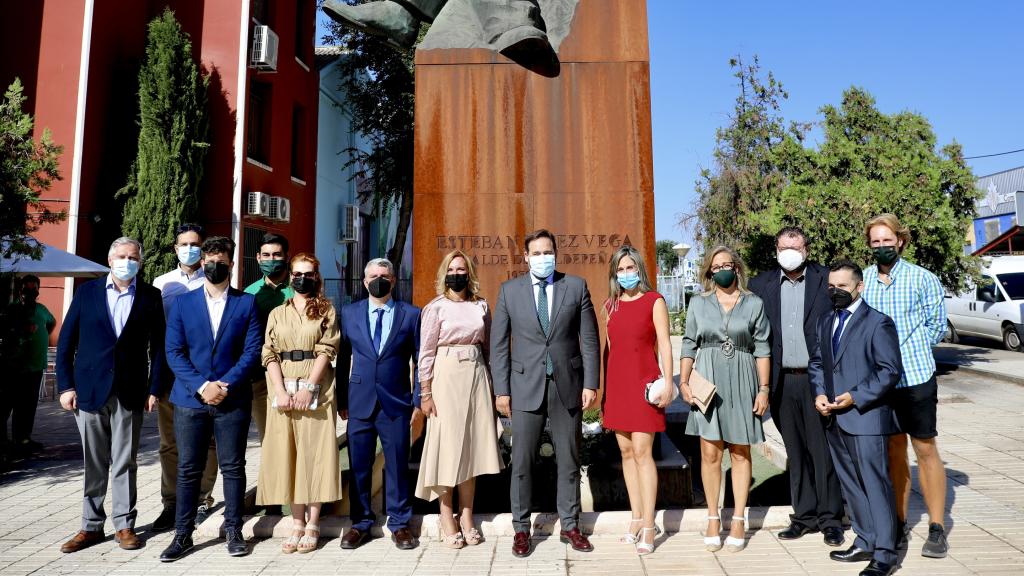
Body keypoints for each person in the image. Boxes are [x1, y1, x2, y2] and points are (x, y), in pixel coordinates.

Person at [490, 228, 600, 558]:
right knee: (522, 461)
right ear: (525, 258)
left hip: (567, 385)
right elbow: (498, 346)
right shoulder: (509, 292)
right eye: (536, 253)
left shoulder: (575, 286)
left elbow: (590, 340)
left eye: (547, 252)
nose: (542, 258)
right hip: (524, 387)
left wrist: (591, 382)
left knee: (569, 460)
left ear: (556, 253)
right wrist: (502, 390)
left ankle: (570, 525)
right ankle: (521, 530)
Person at [55, 237, 166, 553]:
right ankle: (90, 527)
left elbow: (158, 349)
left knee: (124, 462)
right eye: (121, 256)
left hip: (130, 392)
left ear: (140, 263)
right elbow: (66, 343)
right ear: (109, 258)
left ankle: (124, 525)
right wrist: (65, 387)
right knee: (94, 461)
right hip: (89, 391)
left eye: (133, 257)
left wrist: (154, 388)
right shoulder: (87, 293)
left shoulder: (150, 297)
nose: (126, 261)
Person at [160, 236, 262, 562]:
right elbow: (174, 353)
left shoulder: (246, 303)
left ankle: (233, 531)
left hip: (232, 400)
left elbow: (252, 351)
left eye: (220, 261)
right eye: (208, 260)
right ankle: (183, 535)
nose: (213, 266)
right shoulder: (182, 304)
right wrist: (203, 386)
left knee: (233, 467)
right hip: (191, 400)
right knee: (189, 469)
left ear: (232, 264)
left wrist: (226, 384)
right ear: (202, 263)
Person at [861, 213, 949, 558]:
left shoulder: (922, 279)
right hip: (880, 385)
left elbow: (936, 326)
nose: (882, 246)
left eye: (887, 240)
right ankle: (897, 524)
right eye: (875, 241)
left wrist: (909, 353)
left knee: (925, 450)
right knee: (894, 452)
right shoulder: (864, 281)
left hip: (915, 379)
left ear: (900, 240)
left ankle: (937, 527)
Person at [749, 227, 844, 546]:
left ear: (806, 248)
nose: (789, 251)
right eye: (783, 246)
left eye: (795, 245)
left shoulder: (826, 278)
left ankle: (831, 518)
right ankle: (804, 516)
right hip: (781, 381)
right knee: (796, 451)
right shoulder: (760, 284)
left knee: (822, 451)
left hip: (817, 380)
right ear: (776, 249)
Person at [809, 260, 902, 576]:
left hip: (865, 417)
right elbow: (819, 363)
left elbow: (888, 371)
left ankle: (886, 553)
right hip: (834, 419)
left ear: (859, 287)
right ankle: (865, 540)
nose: (835, 293)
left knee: (875, 485)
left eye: (842, 287)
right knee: (851, 485)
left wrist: (856, 396)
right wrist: (819, 393)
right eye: (831, 287)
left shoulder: (878, 323)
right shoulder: (825, 321)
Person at [678, 245, 770, 554]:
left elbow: (762, 348)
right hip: (708, 379)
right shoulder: (698, 303)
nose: (722, 270)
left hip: (744, 378)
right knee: (710, 453)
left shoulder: (754, 303)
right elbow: (690, 343)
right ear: (709, 272)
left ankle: (739, 518)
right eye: (716, 267)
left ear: (738, 269)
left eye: (728, 265)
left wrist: (764, 388)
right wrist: (684, 381)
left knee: (741, 452)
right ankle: (713, 517)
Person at [415, 250, 503, 549]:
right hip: (446, 374)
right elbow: (425, 353)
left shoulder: (481, 305)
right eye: (452, 269)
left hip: (477, 374)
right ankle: (445, 514)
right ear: (444, 273)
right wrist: (425, 392)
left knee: (472, 447)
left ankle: (467, 515)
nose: (457, 274)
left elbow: (489, 347)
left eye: (461, 269)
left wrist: (494, 387)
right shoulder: (435, 308)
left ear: (470, 273)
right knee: (447, 446)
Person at [258, 253, 342, 554]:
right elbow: (269, 353)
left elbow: (327, 349)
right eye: (297, 273)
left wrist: (309, 387)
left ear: (316, 277)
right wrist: (280, 390)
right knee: (289, 453)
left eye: (308, 273)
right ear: (290, 276)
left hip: (315, 384)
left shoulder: (326, 310)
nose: (302, 278)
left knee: (314, 453)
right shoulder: (277, 313)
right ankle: (296, 522)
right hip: (282, 385)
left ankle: (314, 521)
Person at [336, 258, 422, 551]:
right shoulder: (349, 313)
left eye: (384, 276)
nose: (378, 280)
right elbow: (343, 359)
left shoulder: (411, 315)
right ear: (364, 281)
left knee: (397, 465)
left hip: (396, 403)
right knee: (359, 465)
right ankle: (359, 523)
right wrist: (341, 400)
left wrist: (418, 399)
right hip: (359, 403)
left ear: (394, 281)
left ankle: (399, 524)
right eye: (373, 276)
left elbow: (419, 361)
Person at [600, 246, 674, 555]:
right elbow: (610, 349)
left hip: (645, 385)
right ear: (614, 274)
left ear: (639, 270)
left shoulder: (654, 301)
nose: (626, 273)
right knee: (627, 453)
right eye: (621, 269)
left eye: (631, 268)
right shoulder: (610, 306)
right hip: (618, 388)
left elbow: (666, 345)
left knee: (644, 453)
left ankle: (649, 524)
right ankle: (635, 518)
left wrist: (669, 383)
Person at [150, 223, 219, 531]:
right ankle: (171, 502)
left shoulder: (215, 280)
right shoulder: (161, 284)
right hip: (170, 372)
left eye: (195, 243)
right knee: (169, 443)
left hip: (206, 373)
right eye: (183, 244)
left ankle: (202, 498)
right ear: (175, 248)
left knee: (208, 442)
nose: (189, 248)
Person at [244, 232, 294, 442]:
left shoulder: (298, 290)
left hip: (294, 373)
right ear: (258, 258)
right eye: (266, 255)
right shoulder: (249, 293)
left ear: (286, 257)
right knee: (270, 438)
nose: (271, 260)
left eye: (276, 255)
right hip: (260, 377)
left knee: (294, 437)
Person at [1, 275, 56, 457]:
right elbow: (5, 332)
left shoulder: (41, 309)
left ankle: (24, 439)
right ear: (20, 290)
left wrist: (41, 337)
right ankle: (5, 442)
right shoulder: (12, 310)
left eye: (34, 290)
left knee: (28, 406)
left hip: (35, 367)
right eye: (27, 289)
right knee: (9, 404)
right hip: (15, 367)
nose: (30, 293)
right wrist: (21, 332)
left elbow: (51, 322)